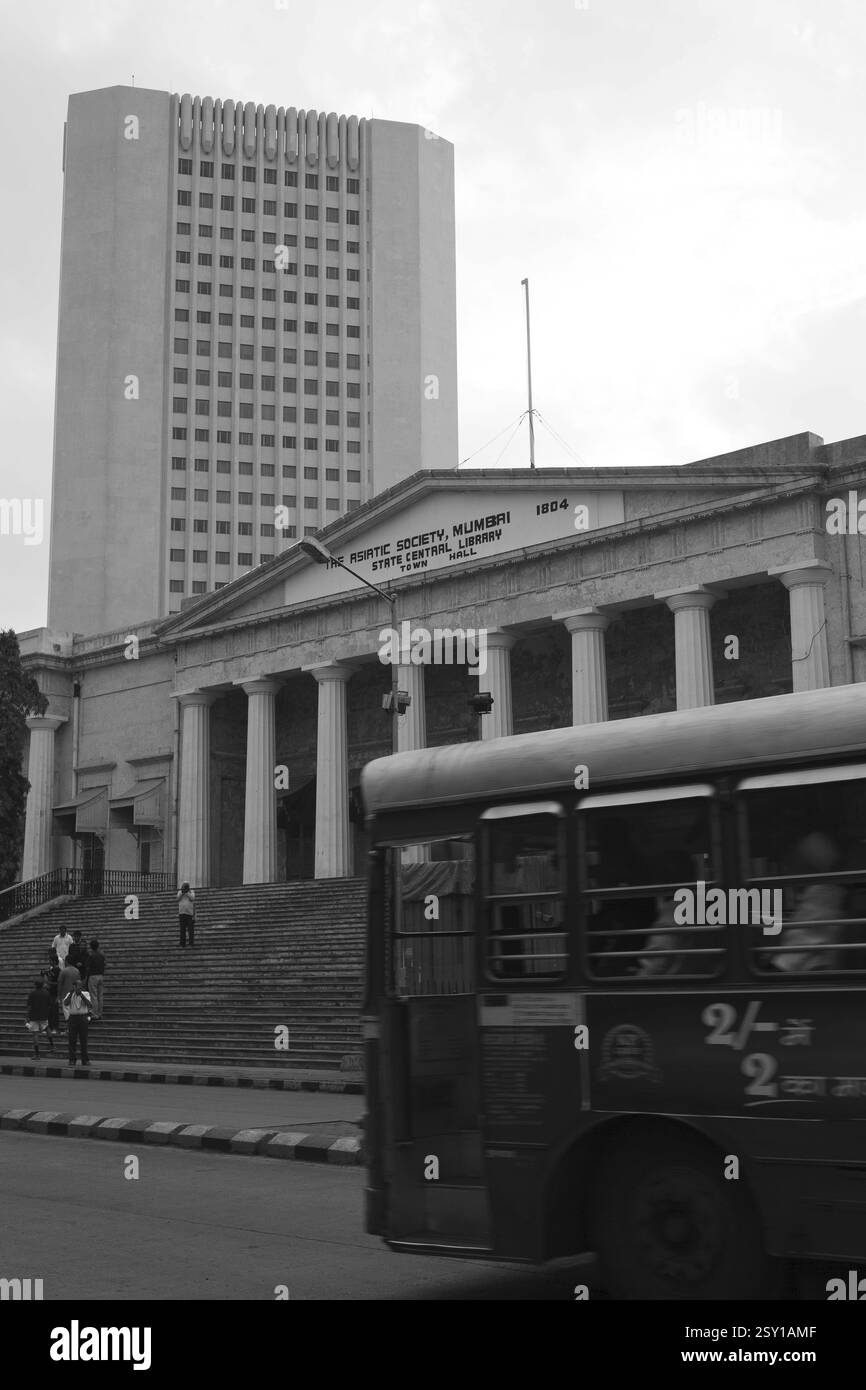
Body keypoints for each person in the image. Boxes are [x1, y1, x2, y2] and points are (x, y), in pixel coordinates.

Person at [771, 832, 847, 973]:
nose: (788, 871)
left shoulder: (822, 896)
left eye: (795, 863)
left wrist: (769, 969)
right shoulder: (823, 894)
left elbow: (797, 950)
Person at [63, 979, 93, 1066]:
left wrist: (82, 996)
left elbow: (90, 1005)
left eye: (79, 986)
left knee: (84, 1040)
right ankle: (72, 1059)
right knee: (72, 1040)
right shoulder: (70, 994)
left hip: (83, 1018)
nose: (77, 988)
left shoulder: (86, 994)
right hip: (73, 1018)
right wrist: (72, 993)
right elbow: (65, 1003)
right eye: (75, 986)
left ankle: (85, 1060)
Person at [25, 979, 54, 1059]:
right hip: (44, 1015)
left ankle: (37, 1054)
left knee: (35, 1034)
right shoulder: (47, 993)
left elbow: (29, 1006)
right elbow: (49, 1005)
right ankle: (52, 1045)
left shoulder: (32, 993)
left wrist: (27, 1016)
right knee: (47, 1028)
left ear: (35, 985)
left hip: (34, 1015)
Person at [86, 938, 106, 1021]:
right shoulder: (101, 955)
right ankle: (100, 1013)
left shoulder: (91, 956)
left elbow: (88, 967)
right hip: (101, 976)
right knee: (100, 995)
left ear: (91, 947)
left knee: (93, 995)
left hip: (93, 976)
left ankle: (95, 1014)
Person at [177, 882, 196, 948]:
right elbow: (178, 899)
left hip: (189, 913)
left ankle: (191, 943)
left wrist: (187, 892)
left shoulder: (191, 892)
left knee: (190, 929)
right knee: (182, 929)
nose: (184, 888)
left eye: (185, 887)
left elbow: (192, 898)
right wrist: (182, 892)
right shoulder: (180, 892)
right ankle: (182, 944)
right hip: (182, 913)